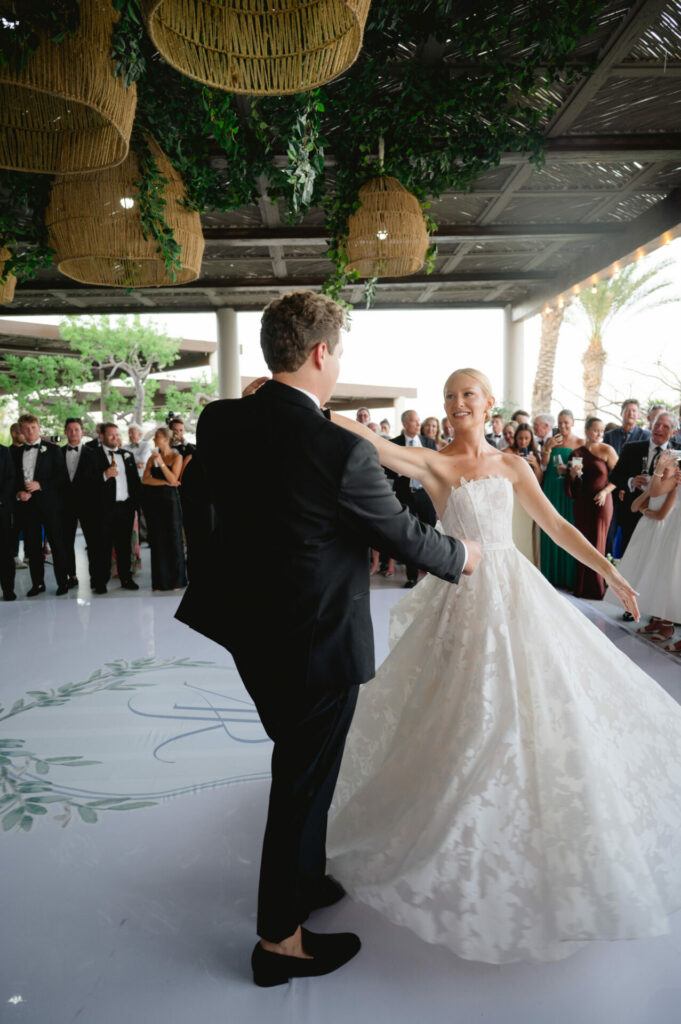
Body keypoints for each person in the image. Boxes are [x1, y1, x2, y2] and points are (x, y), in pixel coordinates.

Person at [326, 368, 681, 966]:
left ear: (489, 405)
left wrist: (614, 572)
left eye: (468, 394)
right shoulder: (435, 463)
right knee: (461, 706)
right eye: (448, 395)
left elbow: (558, 526)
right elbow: (378, 446)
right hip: (459, 593)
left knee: (541, 701)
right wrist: (314, 408)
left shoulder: (514, 466)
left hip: (517, 591)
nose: (457, 402)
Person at [175, 291, 480, 987]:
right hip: (314, 641)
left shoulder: (220, 419)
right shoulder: (336, 449)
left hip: (247, 628)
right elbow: (402, 538)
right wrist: (463, 555)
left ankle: (304, 880)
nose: (338, 363)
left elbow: (200, 498)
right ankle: (278, 942)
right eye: (338, 351)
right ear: (319, 353)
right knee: (301, 783)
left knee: (300, 764)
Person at [606, 450, 681, 641]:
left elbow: (660, 513)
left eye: (666, 467)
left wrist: (645, 510)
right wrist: (645, 500)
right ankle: (655, 620)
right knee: (648, 574)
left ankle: (666, 625)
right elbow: (634, 506)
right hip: (650, 531)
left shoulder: (673, 483)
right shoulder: (657, 482)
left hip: (664, 532)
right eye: (659, 465)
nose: (663, 470)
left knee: (661, 576)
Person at [11, 414, 69, 596]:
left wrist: (40, 484)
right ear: (20, 431)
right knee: (32, 547)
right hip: (27, 507)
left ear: (39, 428)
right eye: (26, 429)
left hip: (50, 505)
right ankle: (38, 584)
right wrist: (18, 493)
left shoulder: (53, 450)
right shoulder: (14, 452)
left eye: (33, 428)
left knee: (57, 544)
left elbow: (62, 477)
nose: (30, 432)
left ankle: (62, 582)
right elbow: (12, 480)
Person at [608, 410, 680, 557]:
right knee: (629, 556)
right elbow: (614, 476)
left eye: (665, 426)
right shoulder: (631, 448)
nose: (659, 429)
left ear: (674, 432)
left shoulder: (678, 452)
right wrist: (630, 481)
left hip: (665, 518)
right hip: (632, 513)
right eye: (657, 425)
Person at [565, 417, 618, 599]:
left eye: (602, 431)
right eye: (596, 430)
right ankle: (581, 587)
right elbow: (574, 484)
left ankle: (597, 588)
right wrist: (572, 475)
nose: (599, 434)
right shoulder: (576, 453)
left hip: (600, 503)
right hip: (582, 504)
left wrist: (605, 492)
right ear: (587, 431)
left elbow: (618, 477)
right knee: (582, 542)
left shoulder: (607, 450)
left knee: (598, 543)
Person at [388, 410, 439, 588]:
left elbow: (436, 468)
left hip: (425, 495)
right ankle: (411, 577)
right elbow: (387, 469)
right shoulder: (395, 444)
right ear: (405, 424)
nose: (419, 424)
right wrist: (401, 469)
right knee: (408, 535)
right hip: (405, 495)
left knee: (431, 533)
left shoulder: (428, 443)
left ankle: (434, 575)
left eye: (419, 421)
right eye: (414, 421)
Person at [92, 423, 141, 594]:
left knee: (124, 546)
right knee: (103, 547)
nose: (115, 437)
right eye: (111, 435)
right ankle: (100, 581)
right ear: (102, 437)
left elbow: (135, 482)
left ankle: (126, 578)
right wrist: (104, 475)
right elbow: (86, 482)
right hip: (104, 510)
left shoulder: (127, 455)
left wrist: (135, 505)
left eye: (117, 434)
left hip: (125, 507)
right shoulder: (93, 455)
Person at [539, 409, 583, 587]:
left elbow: (580, 470)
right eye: (560, 422)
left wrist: (569, 471)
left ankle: (569, 577)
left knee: (568, 527)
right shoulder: (551, 441)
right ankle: (551, 576)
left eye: (566, 422)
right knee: (550, 527)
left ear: (572, 422)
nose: (563, 426)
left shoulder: (580, 442)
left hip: (568, 490)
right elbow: (543, 465)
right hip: (551, 488)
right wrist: (547, 448)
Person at [142, 427, 187, 592]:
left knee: (174, 538)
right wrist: (163, 483)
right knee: (157, 539)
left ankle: (177, 580)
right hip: (155, 501)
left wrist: (160, 462)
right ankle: (160, 582)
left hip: (170, 501)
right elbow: (145, 480)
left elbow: (174, 478)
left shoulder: (177, 457)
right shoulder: (150, 458)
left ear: (166, 440)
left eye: (157, 437)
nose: (154, 440)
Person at [61, 417, 100, 590]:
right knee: (66, 542)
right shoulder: (57, 453)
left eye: (76, 429)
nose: (73, 433)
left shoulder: (93, 453)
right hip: (65, 506)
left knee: (92, 542)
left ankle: (95, 577)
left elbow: (96, 480)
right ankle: (72, 576)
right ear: (65, 432)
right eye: (69, 429)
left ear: (82, 432)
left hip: (88, 505)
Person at [506, 424, 541, 565]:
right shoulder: (508, 452)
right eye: (520, 438)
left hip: (529, 497)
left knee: (527, 532)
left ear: (531, 439)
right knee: (514, 530)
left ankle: (528, 563)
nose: (523, 442)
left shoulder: (534, 454)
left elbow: (539, 481)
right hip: (513, 496)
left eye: (526, 438)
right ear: (516, 438)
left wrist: (536, 466)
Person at [0, 443, 16, 600]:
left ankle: (8, 589)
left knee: (4, 551)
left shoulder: (4, 451)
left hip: (1, 508)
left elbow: (10, 477)